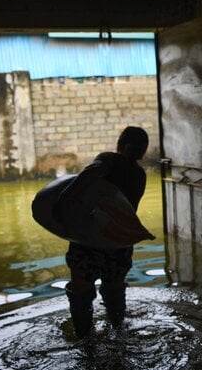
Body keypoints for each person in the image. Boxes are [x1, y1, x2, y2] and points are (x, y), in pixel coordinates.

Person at [56, 126, 149, 338]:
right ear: (142, 152)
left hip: (90, 239)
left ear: (122, 145)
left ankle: (84, 341)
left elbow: (90, 174)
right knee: (114, 290)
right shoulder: (140, 175)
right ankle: (118, 334)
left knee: (81, 291)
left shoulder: (109, 160)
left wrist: (63, 200)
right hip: (120, 241)